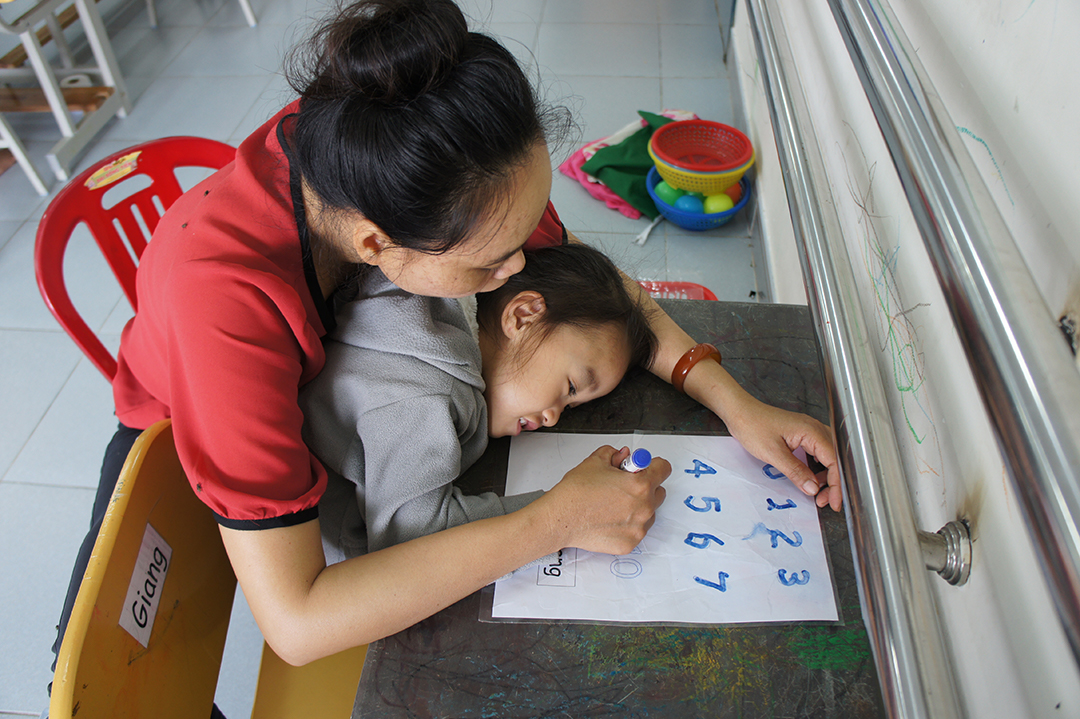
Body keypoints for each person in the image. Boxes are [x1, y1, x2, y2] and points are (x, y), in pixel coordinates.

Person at [50, 0, 837, 678]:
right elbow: (298, 620)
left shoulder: (407, 157)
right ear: (376, 250)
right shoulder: (226, 308)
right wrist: (555, 521)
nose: (518, 268)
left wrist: (731, 401)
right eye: (493, 263)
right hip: (181, 431)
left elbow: (591, 287)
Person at [302, 243, 658, 562]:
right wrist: (567, 511)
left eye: (570, 406)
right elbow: (408, 543)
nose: (552, 418)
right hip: (338, 568)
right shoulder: (426, 396)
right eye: (570, 386)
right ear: (523, 316)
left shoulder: (430, 306)